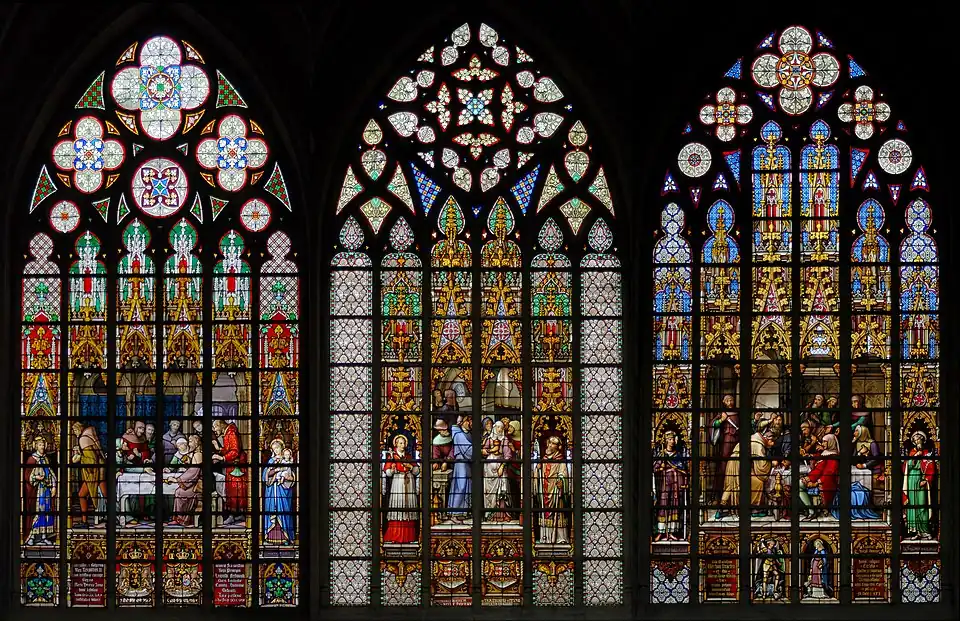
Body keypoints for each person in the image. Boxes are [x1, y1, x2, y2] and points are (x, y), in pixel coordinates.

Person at [381, 434, 420, 543]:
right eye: (400, 443)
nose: (403, 445)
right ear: (396, 444)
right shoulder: (392, 456)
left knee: (409, 508)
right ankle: (396, 536)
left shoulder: (408, 457)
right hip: (398, 482)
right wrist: (392, 470)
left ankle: (409, 537)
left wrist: (411, 467)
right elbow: (387, 473)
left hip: (409, 481)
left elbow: (417, 471)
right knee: (398, 506)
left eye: (404, 443)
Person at [652, 430, 688, 541]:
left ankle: (672, 532)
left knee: (674, 507)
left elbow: (683, 469)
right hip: (664, 485)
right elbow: (654, 469)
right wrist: (660, 468)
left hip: (676, 484)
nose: (672, 442)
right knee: (663, 506)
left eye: (673, 439)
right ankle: (661, 532)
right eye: (670, 439)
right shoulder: (661, 455)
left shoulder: (678, 455)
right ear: (666, 441)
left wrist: (682, 478)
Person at [534, 436, 570, 544]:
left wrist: (561, 482)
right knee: (545, 513)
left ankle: (559, 538)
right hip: (545, 490)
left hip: (555, 492)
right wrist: (538, 469)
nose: (550, 445)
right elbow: (539, 476)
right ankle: (546, 538)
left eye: (553, 443)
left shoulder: (560, 460)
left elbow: (564, 474)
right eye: (549, 443)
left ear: (558, 447)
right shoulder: (543, 459)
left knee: (557, 514)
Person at [70, 422, 107, 527]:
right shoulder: (88, 436)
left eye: (75, 430)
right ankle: (84, 521)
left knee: (105, 497)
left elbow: (91, 460)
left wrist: (80, 457)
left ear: (79, 429)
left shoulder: (83, 439)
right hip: (98, 472)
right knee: (84, 495)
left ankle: (87, 521)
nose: (74, 432)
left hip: (93, 473)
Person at [212, 419, 247, 525]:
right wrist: (219, 449)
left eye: (215, 427)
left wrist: (221, 458)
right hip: (232, 466)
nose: (215, 430)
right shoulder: (228, 431)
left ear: (221, 425)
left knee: (235, 491)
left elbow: (235, 451)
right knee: (232, 490)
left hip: (236, 467)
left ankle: (234, 515)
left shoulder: (231, 432)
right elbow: (229, 449)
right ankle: (237, 514)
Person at [23, 436, 57, 546]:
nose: (42, 447)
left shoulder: (46, 459)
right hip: (37, 490)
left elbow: (51, 473)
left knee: (46, 512)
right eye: (40, 445)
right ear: (36, 446)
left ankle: (43, 537)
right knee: (37, 512)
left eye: (43, 445)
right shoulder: (32, 459)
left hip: (46, 489)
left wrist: (54, 486)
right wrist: (35, 478)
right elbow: (27, 475)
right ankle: (32, 536)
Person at [262, 439, 297, 544]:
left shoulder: (286, 460)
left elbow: (293, 475)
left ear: (282, 448)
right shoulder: (271, 461)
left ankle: (287, 537)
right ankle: (269, 537)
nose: (276, 450)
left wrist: (289, 477)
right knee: (272, 511)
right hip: (272, 491)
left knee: (285, 511)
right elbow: (265, 476)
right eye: (274, 449)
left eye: (277, 448)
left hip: (284, 491)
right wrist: (276, 470)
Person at [902, 430, 936, 539]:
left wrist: (926, 479)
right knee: (912, 505)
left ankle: (925, 531)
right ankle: (915, 531)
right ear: (913, 442)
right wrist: (916, 456)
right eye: (916, 440)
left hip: (921, 481)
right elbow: (906, 468)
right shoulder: (911, 453)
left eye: (919, 439)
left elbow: (931, 468)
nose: (918, 441)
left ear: (923, 440)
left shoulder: (927, 453)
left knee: (922, 505)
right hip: (912, 480)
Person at [799, 434, 840, 520]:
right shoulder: (824, 452)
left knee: (799, 485)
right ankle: (809, 510)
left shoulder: (833, 457)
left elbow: (829, 473)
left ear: (831, 443)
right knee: (797, 485)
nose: (823, 443)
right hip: (814, 476)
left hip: (825, 482)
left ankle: (811, 512)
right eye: (823, 441)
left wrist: (815, 483)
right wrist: (808, 455)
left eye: (825, 441)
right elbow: (817, 459)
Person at [165, 434, 202, 527]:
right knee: (178, 491)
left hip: (200, 485)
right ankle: (179, 518)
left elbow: (193, 472)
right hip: (195, 482)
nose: (188, 444)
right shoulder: (194, 453)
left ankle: (184, 519)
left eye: (190, 441)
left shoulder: (198, 454)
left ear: (196, 443)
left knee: (180, 492)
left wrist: (176, 480)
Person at [482, 421, 513, 522]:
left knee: (503, 488)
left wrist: (502, 466)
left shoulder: (505, 440)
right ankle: (491, 514)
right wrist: (487, 451)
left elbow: (508, 455)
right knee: (489, 492)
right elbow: (483, 450)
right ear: (494, 428)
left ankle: (503, 514)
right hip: (489, 469)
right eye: (498, 427)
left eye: (502, 428)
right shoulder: (489, 439)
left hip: (500, 467)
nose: (500, 429)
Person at [710, 394, 739, 500]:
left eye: (732, 400)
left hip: (737, 440)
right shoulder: (722, 414)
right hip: (727, 440)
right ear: (724, 402)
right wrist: (722, 420)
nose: (730, 402)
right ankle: (720, 492)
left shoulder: (738, 413)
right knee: (724, 462)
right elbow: (714, 424)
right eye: (728, 400)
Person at [447, 415, 472, 521]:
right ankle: (454, 513)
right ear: (463, 422)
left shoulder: (468, 434)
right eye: (469, 421)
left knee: (467, 486)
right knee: (460, 486)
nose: (471, 424)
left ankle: (462, 512)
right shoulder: (458, 434)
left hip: (467, 463)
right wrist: (480, 451)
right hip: (461, 462)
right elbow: (467, 449)